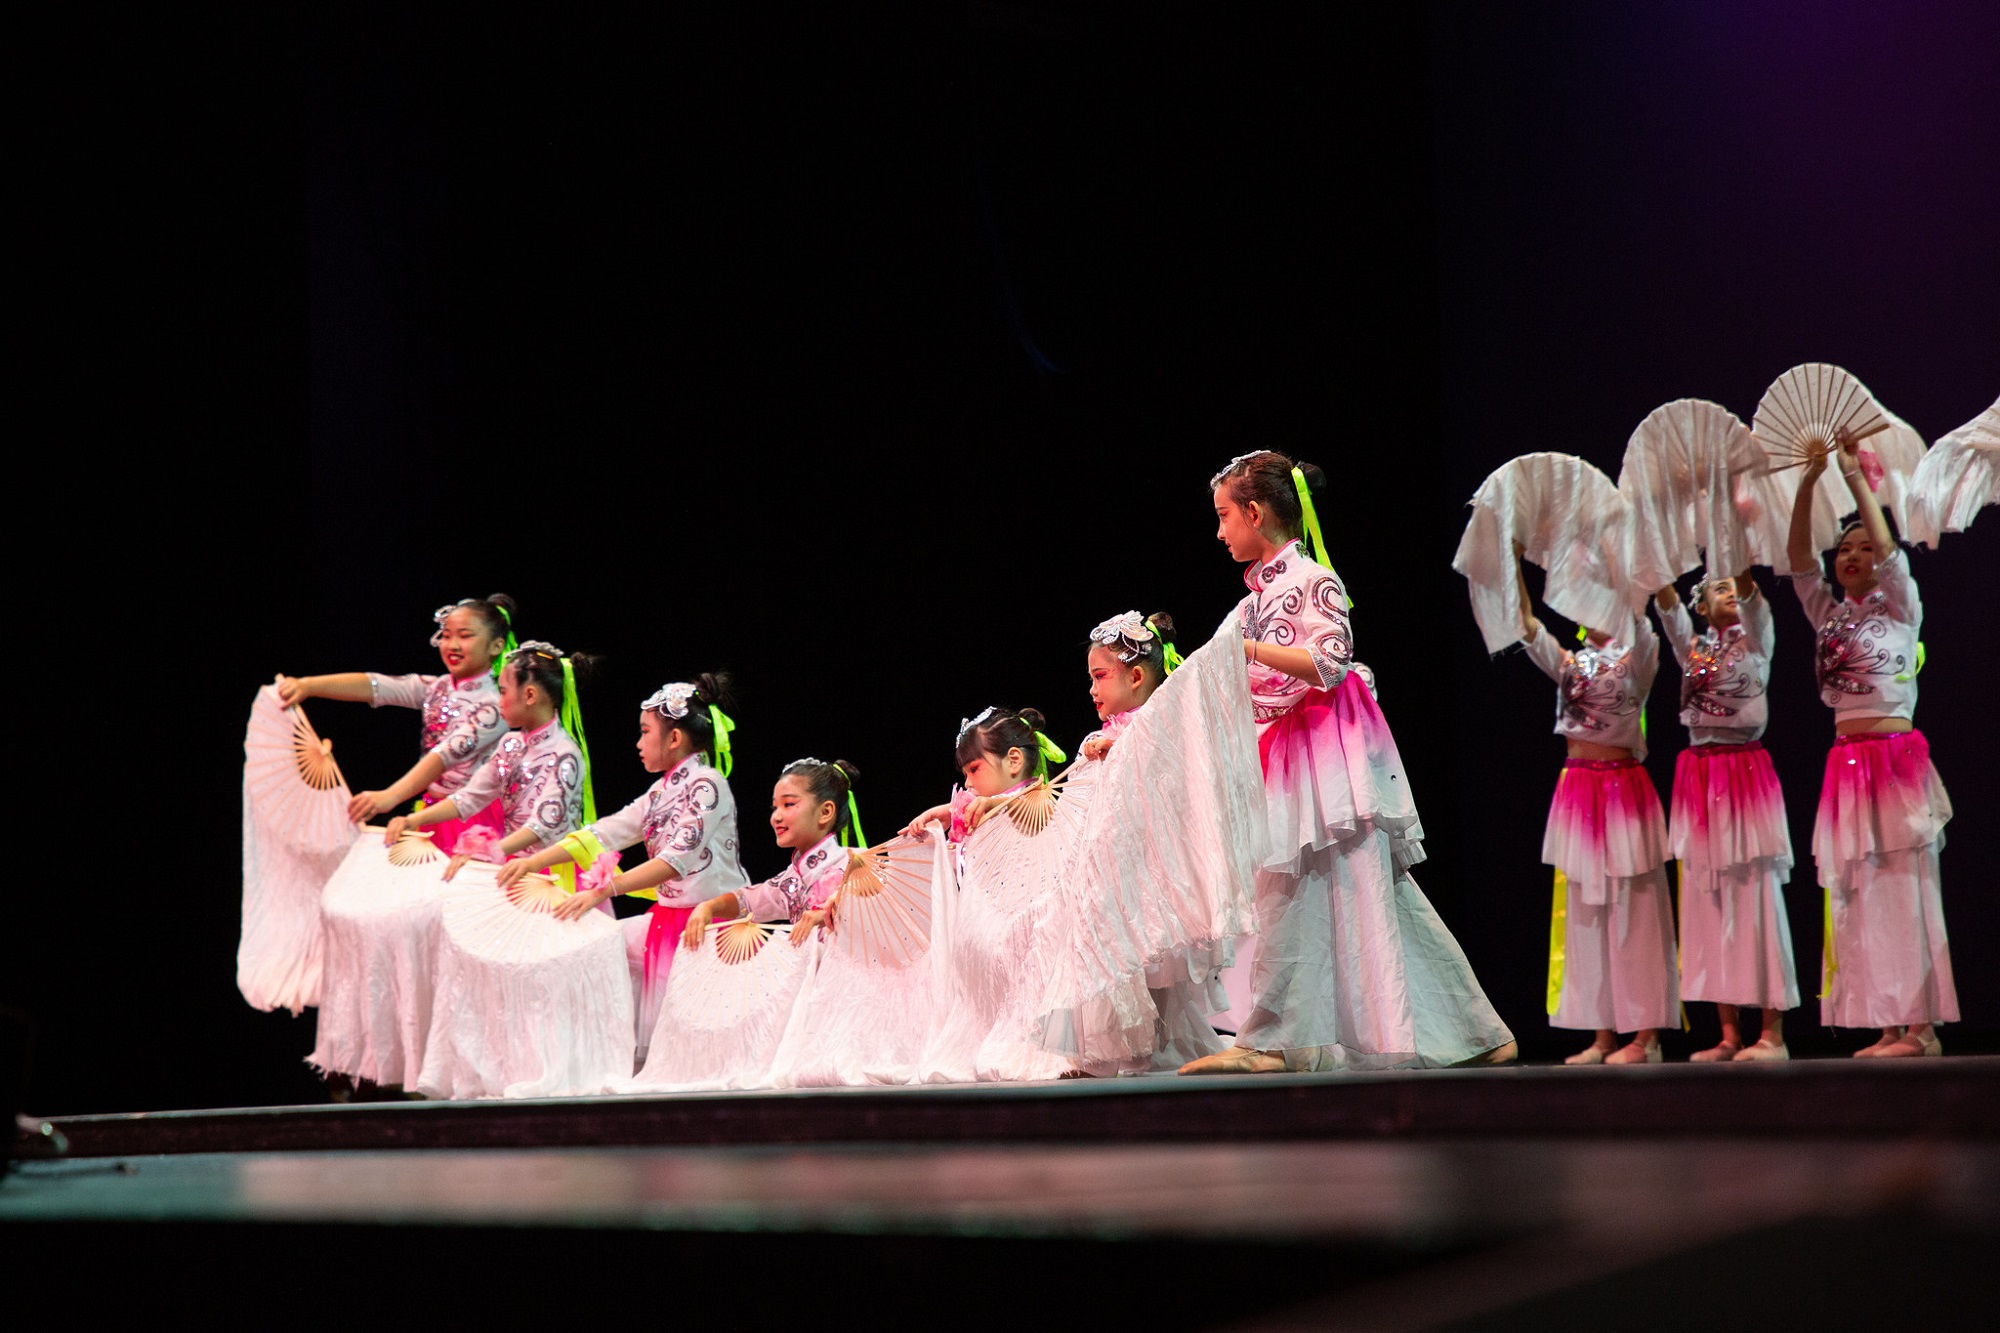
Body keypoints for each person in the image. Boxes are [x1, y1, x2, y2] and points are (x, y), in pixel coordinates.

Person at [1183, 451, 1514, 1073]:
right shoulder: (1258, 594)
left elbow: (1331, 662)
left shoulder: (1310, 579)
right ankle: (1473, 1029)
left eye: (1226, 516)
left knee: (1310, 886)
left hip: (1322, 749)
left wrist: (1244, 649)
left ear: (1255, 513)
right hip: (1289, 747)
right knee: (1361, 889)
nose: (1221, 530)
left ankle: (1275, 1042)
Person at [1787, 434, 1957, 1056]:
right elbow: (1800, 560)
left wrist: (1857, 478)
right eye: (1846, 548)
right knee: (1859, 892)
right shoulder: (1828, 614)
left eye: (1864, 547)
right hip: (1846, 766)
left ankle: (1921, 1026)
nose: (1853, 555)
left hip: (1894, 760)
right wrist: (1810, 482)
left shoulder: (1901, 607)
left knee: (1905, 888)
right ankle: (1889, 1024)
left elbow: (1890, 553)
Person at [497, 674, 748, 1055]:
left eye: (645, 732)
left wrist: (605, 888)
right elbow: (604, 832)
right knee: (594, 948)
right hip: (669, 921)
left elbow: (674, 861)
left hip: (710, 925)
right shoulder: (663, 790)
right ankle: (585, 1054)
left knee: (689, 1042)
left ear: (675, 738)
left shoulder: (707, 784)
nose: (638, 743)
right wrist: (533, 862)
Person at [1511, 542, 1679, 1064]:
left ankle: (1645, 1037)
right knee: (1586, 914)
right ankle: (1603, 1034)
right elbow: (1526, 624)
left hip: (1623, 787)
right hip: (1578, 788)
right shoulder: (1572, 663)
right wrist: (1515, 559)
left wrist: (1629, 565)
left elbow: (1649, 619)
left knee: (1637, 912)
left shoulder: (1639, 655)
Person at [1654, 571, 1798, 1060]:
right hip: (1698, 777)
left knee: (1755, 897)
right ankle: (1729, 1034)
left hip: (1743, 770)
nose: (1730, 593)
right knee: (1708, 902)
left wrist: (1730, 540)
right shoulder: (1692, 649)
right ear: (1701, 605)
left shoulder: (1757, 638)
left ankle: (1772, 1033)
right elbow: (1666, 602)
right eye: (1718, 589)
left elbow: (1750, 592)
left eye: (1733, 587)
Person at [278, 595, 517, 852]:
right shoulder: (437, 688)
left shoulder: (496, 706)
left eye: (465, 636)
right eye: (446, 636)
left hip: (476, 823)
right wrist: (308, 686)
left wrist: (390, 796)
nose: (452, 645)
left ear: (496, 646)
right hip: (433, 812)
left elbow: (443, 756)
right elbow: (378, 686)